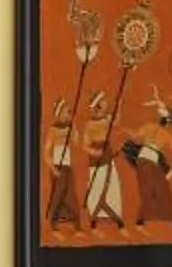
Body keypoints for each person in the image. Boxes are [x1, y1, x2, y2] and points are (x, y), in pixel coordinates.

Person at [122, 93, 172, 228]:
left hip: (145, 160)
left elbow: (135, 137)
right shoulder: (162, 132)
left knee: (151, 190)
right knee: (159, 190)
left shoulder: (153, 129)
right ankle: (171, 221)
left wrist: (126, 132)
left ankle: (142, 221)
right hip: (147, 161)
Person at [80, 89, 125, 230]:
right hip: (96, 159)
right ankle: (94, 217)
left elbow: (117, 119)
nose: (104, 106)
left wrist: (120, 102)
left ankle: (115, 217)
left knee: (112, 185)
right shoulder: (89, 125)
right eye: (102, 104)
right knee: (97, 186)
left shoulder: (107, 120)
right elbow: (84, 145)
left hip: (108, 155)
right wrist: (94, 151)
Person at [45, 96, 81, 230]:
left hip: (67, 166)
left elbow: (76, 143)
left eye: (69, 112)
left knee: (70, 194)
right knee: (58, 194)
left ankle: (74, 223)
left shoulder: (70, 128)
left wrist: (75, 125)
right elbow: (46, 152)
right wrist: (52, 167)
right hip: (57, 166)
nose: (69, 114)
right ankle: (52, 223)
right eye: (67, 111)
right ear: (59, 113)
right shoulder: (53, 130)